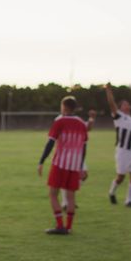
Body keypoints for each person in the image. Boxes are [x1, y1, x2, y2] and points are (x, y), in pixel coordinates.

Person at [38, 96, 89, 235]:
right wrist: (80, 167)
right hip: (74, 165)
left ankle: (60, 226)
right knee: (71, 196)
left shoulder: (59, 121)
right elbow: (84, 148)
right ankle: (69, 227)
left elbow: (50, 143)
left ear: (64, 107)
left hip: (60, 163)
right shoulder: (82, 123)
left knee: (53, 194)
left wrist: (41, 161)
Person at [61, 109, 96, 210]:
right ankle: (65, 202)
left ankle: (68, 199)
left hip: (79, 154)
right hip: (66, 154)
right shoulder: (60, 119)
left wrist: (92, 118)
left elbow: (87, 128)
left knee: (83, 176)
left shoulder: (77, 121)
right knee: (68, 177)